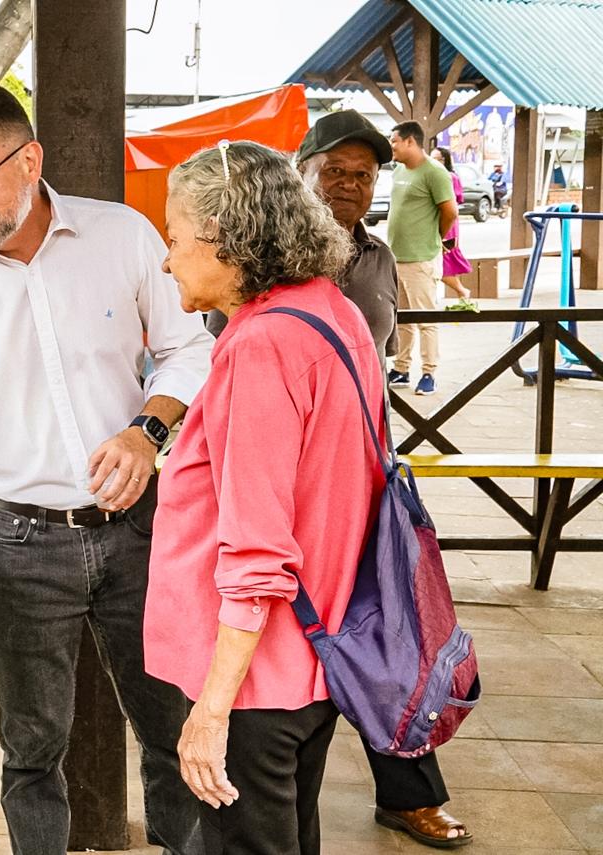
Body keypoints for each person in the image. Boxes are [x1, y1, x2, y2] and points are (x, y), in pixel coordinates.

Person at [0, 79, 214, 855]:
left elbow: (190, 350)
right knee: (31, 751)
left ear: (30, 161)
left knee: (173, 729)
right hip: (17, 542)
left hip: (139, 529)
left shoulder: (122, 237)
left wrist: (144, 434)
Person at [144, 140, 386, 855]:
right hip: (315, 657)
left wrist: (212, 709)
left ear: (224, 239)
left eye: (175, 237)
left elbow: (256, 550)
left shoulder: (262, 347)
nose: (167, 258)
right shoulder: (329, 310)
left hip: (258, 679)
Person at [294, 113, 471, 849]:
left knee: (391, 633)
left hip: (366, 482)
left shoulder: (377, 257)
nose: (349, 185)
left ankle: (408, 793)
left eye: (363, 174)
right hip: (288, 487)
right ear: (300, 170)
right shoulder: (262, 253)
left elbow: (380, 360)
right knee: (284, 650)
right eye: (334, 169)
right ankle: (278, 812)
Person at [386, 120, 458, 397]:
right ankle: (402, 368)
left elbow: (449, 212)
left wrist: (434, 237)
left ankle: (429, 372)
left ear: (410, 142)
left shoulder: (435, 173)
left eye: (394, 141)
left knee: (426, 319)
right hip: (396, 257)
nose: (391, 146)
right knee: (402, 318)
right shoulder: (398, 171)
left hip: (421, 259)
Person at [431, 146, 478, 310]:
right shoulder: (435, 175)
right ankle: (461, 293)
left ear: (445, 160)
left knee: (441, 264)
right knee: (442, 263)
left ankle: (462, 290)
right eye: (432, 158)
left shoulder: (449, 177)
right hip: (438, 222)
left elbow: (454, 203)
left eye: (438, 158)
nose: (434, 161)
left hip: (447, 225)